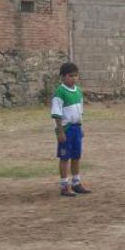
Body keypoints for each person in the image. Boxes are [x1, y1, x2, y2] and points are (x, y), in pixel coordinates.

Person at [51, 62, 92, 197]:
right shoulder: (60, 92)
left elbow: (79, 111)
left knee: (76, 156)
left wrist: (81, 127)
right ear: (63, 77)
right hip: (66, 129)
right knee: (64, 157)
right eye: (70, 76)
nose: (73, 78)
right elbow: (56, 114)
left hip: (76, 128)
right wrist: (60, 131)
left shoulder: (78, 91)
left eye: (75, 75)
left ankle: (76, 183)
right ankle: (64, 185)